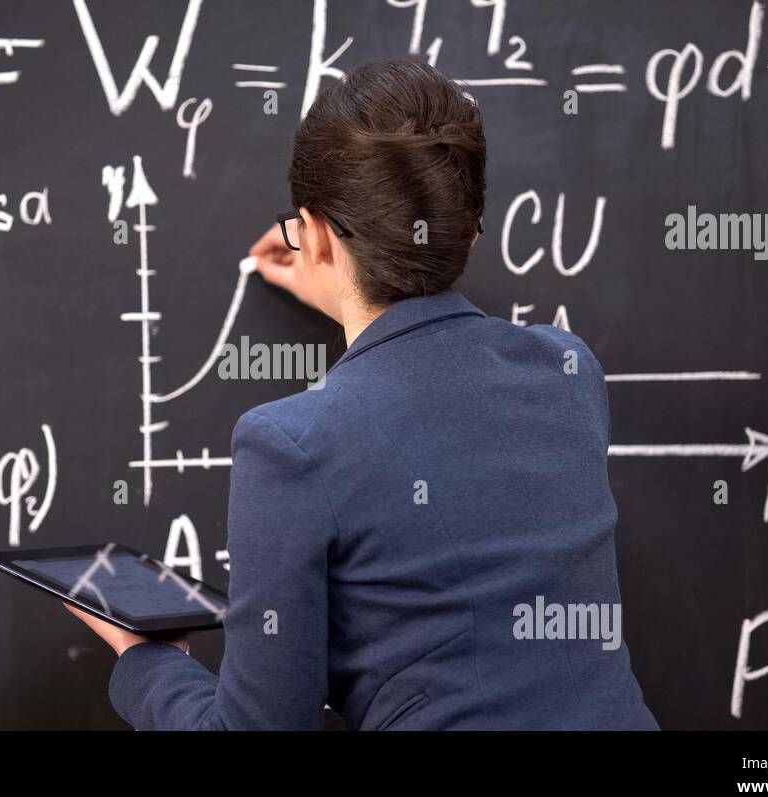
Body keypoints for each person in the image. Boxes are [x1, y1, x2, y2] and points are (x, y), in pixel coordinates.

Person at [67, 59, 659, 730]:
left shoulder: (291, 445)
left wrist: (146, 660)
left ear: (314, 233)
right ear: (468, 224)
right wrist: (349, 284)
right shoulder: (567, 371)